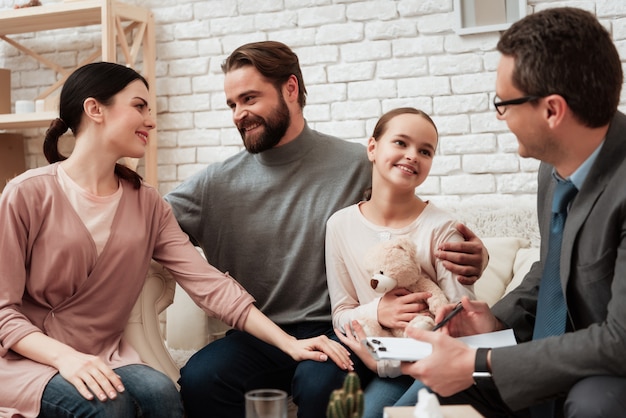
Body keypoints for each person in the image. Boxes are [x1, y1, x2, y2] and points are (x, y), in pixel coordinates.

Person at [0, 61, 353, 418]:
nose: (151, 120)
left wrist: (288, 343)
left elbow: (208, 283)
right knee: (110, 407)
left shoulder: (146, 204)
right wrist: (65, 358)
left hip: (102, 356)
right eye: (139, 106)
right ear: (95, 110)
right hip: (24, 357)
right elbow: (3, 313)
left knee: (162, 394)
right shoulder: (26, 194)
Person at [166, 40, 489, 418]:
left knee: (320, 383)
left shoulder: (358, 162)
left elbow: (412, 222)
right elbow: (145, 223)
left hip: (341, 329)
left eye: (249, 99)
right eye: (232, 104)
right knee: (202, 377)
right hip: (260, 334)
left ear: (290, 88)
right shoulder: (213, 185)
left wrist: (477, 254)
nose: (239, 114)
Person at [400, 7, 626, 418]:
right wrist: (495, 323)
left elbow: (620, 341)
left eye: (503, 104)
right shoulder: (553, 166)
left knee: (595, 403)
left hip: (610, 369)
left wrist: (478, 363)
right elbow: (553, 269)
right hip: (557, 354)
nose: (500, 117)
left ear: (552, 111)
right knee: (425, 398)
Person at [327, 107, 476, 417]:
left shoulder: (443, 228)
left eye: (425, 151)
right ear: (372, 148)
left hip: (433, 363)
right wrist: (377, 312)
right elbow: (341, 313)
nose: (412, 156)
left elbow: (462, 323)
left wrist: (384, 362)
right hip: (382, 360)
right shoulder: (339, 226)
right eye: (401, 143)